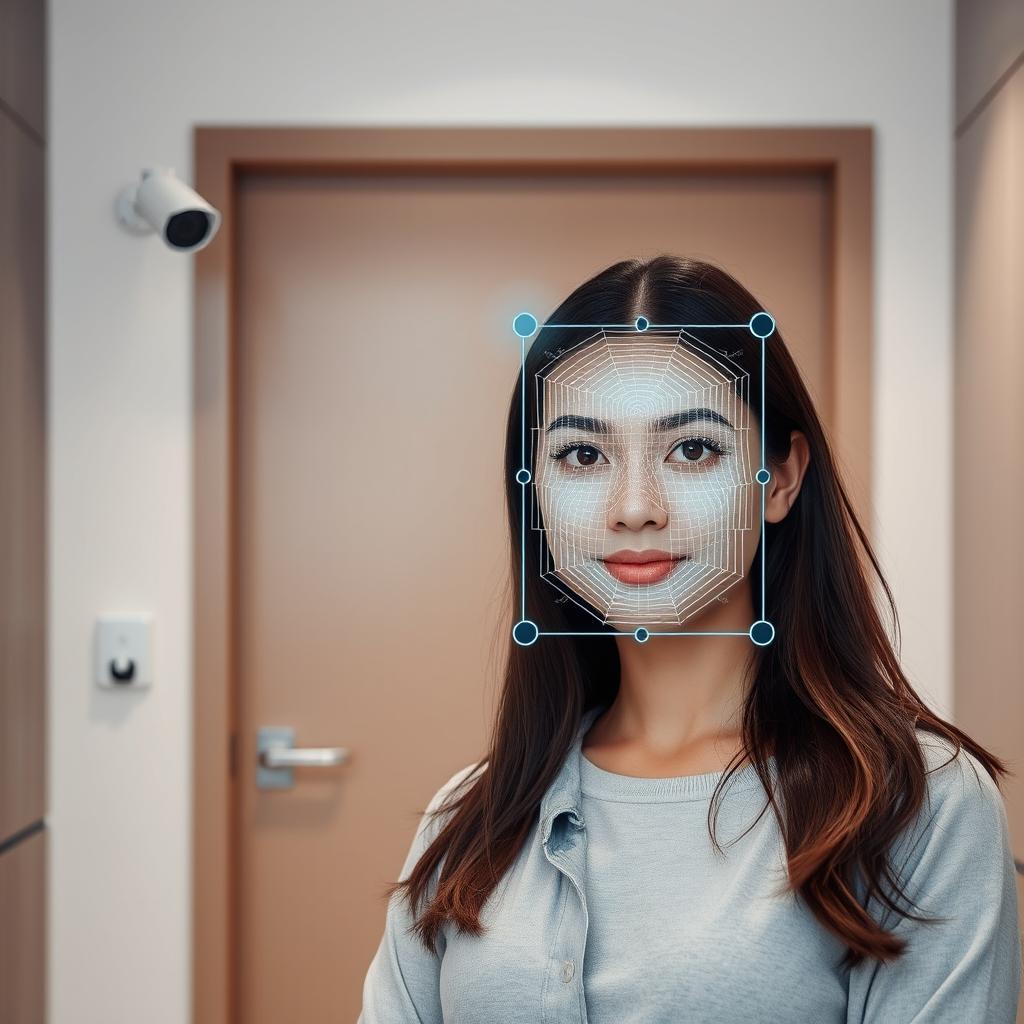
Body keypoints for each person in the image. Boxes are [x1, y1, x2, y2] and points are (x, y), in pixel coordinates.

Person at [358, 255, 1021, 1023]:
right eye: (581, 454)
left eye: (693, 449)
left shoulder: (919, 805)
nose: (634, 507)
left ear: (780, 480)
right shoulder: (472, 815)